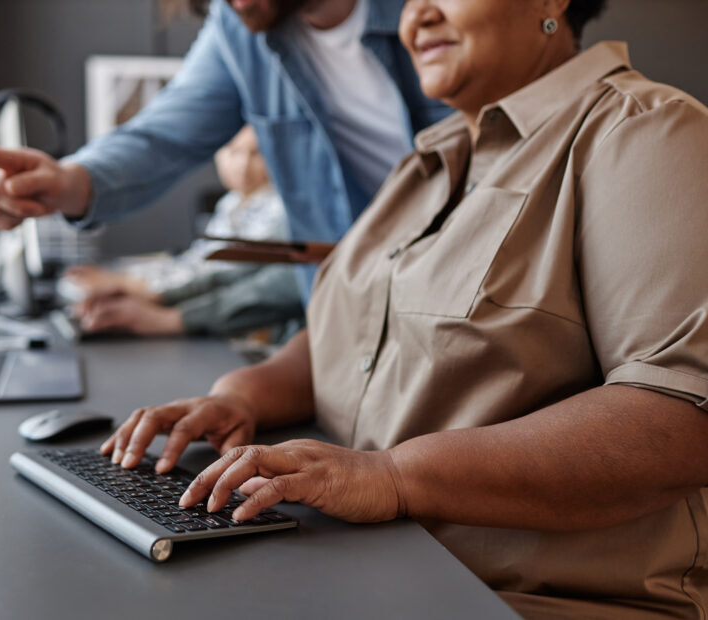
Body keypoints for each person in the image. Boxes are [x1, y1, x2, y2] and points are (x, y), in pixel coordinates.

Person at [100, 0, 708, 617]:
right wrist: (241, 398)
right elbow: (355, 332)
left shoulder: (645, 131)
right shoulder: (426, 161)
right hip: (369, 569)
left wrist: (393, 476)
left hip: (524, 598)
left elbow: (682, 423)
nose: (417, 16)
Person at [0, 0, 452, 302]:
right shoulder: (238, 29)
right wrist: (69, 182)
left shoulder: (443, 20)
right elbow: (162, 135)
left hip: (459, 295)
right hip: (351, 316)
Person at [65, 125, 304, 338]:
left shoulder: (279, 208)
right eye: (233, 150)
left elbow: (226, 271)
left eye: (257, 153)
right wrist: (134, 285)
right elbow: (199, 262)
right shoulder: (231, 203)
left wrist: (139, 289)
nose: (242, 165)